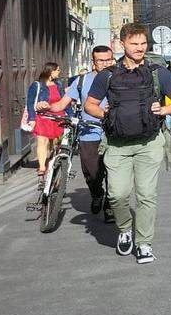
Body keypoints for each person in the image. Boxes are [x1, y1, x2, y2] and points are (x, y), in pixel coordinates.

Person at [84, 24, 171, 264]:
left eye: (143, 43)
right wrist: (105, 114)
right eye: (134, 44)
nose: (140, 48)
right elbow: (90, 105)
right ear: (122, 44)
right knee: (117, 195)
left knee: (146, 195)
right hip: (117, 144)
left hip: (149, 142)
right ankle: (125, 229)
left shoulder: (157, 72)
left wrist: (164, 109)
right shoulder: (107, 75)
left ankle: (144, 244)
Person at [39, 46, 115, 214]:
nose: (105, 63)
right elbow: (61, 104)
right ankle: (97, 194)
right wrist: (47, 106)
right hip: (88, 133)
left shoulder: (118, 79)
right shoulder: (81, 81)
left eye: (109, 59)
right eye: (101, 60)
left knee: (113, 171)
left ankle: (110, 205)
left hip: (113, 133)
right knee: (91, 172)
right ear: (93, 62)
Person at [26, 62, 64, 183]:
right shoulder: (37, 85)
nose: (59, 72)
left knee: (55, 144)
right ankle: (42, 166)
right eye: (58, 70)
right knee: (42, 141)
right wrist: (31, 118)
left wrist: (71, 116)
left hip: (58, 117)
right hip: (43, 117)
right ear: (51, 71)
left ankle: (51, 163)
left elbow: (64, 101)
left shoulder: (58, 84)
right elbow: (30, 103)